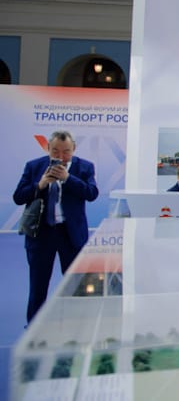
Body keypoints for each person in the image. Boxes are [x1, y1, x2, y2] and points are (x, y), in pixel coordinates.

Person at [13, 130, 99, 323]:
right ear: (48, 148)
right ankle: (34, 327)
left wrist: (68, 178)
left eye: (66, 151)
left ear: (74, 148)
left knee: (75, 285)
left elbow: (91, 193)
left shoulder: (85, 167)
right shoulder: (34, 166)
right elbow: (18, 197)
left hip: (71, 235)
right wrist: (40, 184)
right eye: (55, 151)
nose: (61, 156)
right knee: (38, 286)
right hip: (41, 234)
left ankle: (74, 325)